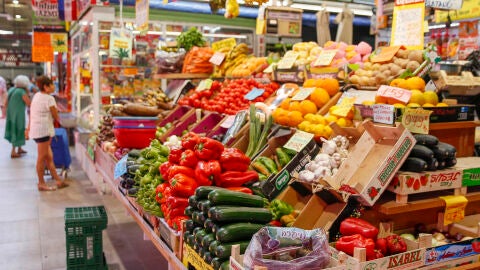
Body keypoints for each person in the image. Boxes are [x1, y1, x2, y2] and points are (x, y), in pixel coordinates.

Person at [27, 76, 68, 191]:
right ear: (46, 87)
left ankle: (58, 180)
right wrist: (62, 119)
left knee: (49, 157)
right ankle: (41, 183)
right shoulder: (49, 98)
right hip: (43, 131)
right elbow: (55, 116)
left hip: (38, 130)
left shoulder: (37, 96)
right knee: (42, 158)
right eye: (51, 84)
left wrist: (28, 128)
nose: (53, 86)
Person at [4, 75, 31, 158]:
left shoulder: (12, 89)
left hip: (11, 113)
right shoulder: (22, 92)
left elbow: (5, 103)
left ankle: (19, 148)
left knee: (14, 129)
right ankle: (13, 151)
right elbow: (28, 103)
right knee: (18, 129)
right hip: (18, 114)